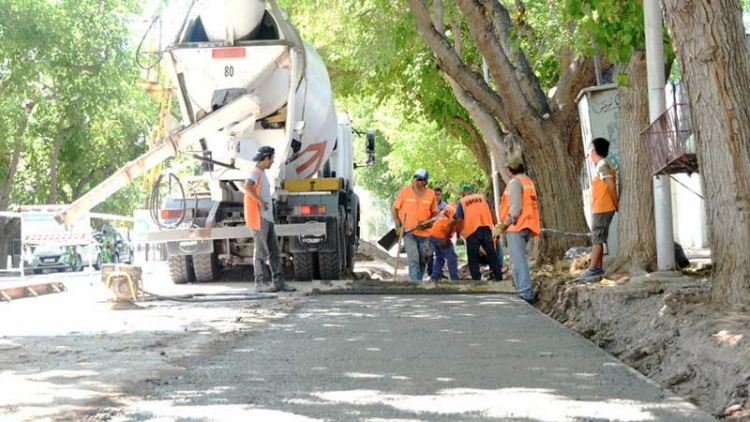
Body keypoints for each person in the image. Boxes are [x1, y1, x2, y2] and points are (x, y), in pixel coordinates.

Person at [244, 146, 295, 293]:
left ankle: (279, 282)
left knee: (274, 252)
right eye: (271, 158)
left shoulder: (261, 173)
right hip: (259, 218)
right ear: (266, 158)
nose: (272, 161)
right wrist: (260, 201)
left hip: (267, 219)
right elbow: (247, 187)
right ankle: (260, 283)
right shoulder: (256, 173)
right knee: (260, 252)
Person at [498, 157, 540, 303]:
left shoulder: (515, 183)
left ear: (510, 170)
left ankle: (525, 293)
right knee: (520, 259)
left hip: (516, 226)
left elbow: (516, 208)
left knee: (518, 261)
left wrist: (505, 224)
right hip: (528, 224)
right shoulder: (528, 181)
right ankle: (523, 289)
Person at [580, 137, 618, 280]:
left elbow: (611, 185)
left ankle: (592, 269)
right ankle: (598, 267)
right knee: (599, 238)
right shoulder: (601, 165)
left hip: (603, 207)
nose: (589, 152)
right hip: (600, 207)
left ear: (595, 150)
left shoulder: (602, 165)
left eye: (590, 149)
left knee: (597, 239)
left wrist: (616, 202)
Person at [448, 184, 502, 281]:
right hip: (486, 228)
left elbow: (459, 220)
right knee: (491, 253)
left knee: (473, 258)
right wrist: (497, 227)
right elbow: (492, 212)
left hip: (472, 231)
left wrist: (459, 233)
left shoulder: (462, 202)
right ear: (472, 191)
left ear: (463, 194)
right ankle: (498, 276)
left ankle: (476, 280)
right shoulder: (483, 198)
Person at [392, 168, 438, 281]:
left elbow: (435, 213)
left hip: (425, 234)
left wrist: (428, 223)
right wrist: (398, 224)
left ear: (425, 182)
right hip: (408, 232)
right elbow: (394, 208)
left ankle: (418, 282)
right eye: (416, 178)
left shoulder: (431, 194)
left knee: (423, 260)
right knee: (413, 258)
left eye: (420, 179)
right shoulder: (405, 191)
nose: (417, 181)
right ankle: (415, 284)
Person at [428, 200, 459, 281]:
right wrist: (446, 240)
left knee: (440, 258)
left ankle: (434, 279)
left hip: (433, 233)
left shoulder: (451, 205)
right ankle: (455, 280)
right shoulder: (458, 210)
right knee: (452, 258)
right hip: (441, 235)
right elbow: (450, 224)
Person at [426, 187, 447, 276]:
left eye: (438, 195)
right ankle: (430, 271)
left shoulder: (445, 206)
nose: (437, 197)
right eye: (435, 195)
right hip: (429, 232)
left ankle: (439, 272)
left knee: (440, 254)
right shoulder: (428, 205)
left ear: (441, 196)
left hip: (440, 233)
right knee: (430, 253)